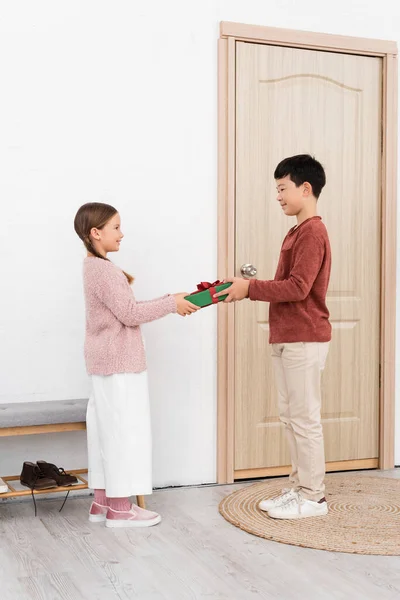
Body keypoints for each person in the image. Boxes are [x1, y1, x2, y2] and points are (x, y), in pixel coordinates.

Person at [215, 154, 331, 520]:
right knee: (290, 416)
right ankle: (300, 487)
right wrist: (249, 288)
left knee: (304, 417)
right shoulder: (297, 230)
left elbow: (298, 288)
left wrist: (248, 287)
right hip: (286, 334)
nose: (278, 196)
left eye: (282, 188)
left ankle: (314, 497)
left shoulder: (313, 231)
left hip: (304, 336)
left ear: (305, 188)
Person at [74, 202, 199, 528]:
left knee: (106, 433)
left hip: (105, 363)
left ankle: (102, 503)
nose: (122, 233)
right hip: (119, 365)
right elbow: (130, 315)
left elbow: (125, 308)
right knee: (122, 434)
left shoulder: (93, 267)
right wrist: (172, 304)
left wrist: (171, 299)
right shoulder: (104, 271)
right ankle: (119, 508)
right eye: (116, 227)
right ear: (95, 232)